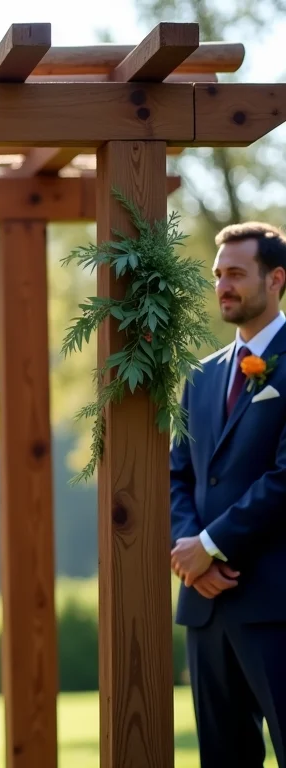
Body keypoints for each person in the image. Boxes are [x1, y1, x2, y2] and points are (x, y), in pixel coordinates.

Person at [170, 221, 286, 766]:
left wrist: (211, 545)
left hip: (276, 605)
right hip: (207, 608)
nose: (223, 286)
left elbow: (285, 478)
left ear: (276, 278)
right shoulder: (200, 376)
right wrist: (190, 551)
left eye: (237, 274)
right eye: (218, 275)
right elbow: (179, 475)